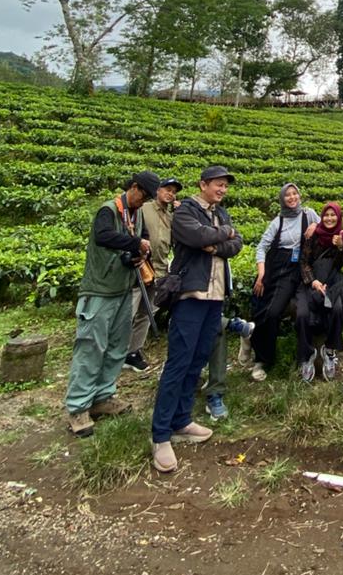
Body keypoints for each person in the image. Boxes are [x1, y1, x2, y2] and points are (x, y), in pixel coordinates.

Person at [151, 165, 244, 474]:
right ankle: (160, 435)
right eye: (218, 185)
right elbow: (194, 235)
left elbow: (236, 244)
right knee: (178, 362)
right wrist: (221, 236)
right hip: (191, 296)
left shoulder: (221, 213)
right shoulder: (186, 211)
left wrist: (217, 241)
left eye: (225, 186)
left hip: (215, 297)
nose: (222, 190)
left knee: (197, 360)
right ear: (203, 184)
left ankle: (181, 421)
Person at [64, 171, 160, 437]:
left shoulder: (137, 214)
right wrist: (135, 243)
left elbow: (136, 243)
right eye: (145, 195)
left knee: (117, 346)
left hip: (123, 289)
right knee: (91, 347)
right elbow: (103, 236)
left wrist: (136, 255)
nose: (145, 202)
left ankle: (103, 397)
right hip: (99, 291)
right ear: (134, 187)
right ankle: (78, 407)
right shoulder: (108, 210)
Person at [248, 184, 319, 381]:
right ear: (282, 199)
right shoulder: (278, 220)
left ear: (299, 195)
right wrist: (261, 274)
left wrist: (316, 226)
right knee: (258, 305)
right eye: (287, 195)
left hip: (291, 270)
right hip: (272, 268)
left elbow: (328, 230)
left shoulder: (309, 214)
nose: (291, 197)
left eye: (294, 193)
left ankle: (263, 358)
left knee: (272, 311)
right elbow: (262, 247)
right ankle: (251, 341)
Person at [125, 176, 181, 373]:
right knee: (128, 311)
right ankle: (114, 350)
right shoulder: (144, 208)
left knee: (148, 312)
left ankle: (133, 351)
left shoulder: (172, 215)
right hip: (140, 268)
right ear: (157, 190)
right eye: (167, 189)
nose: (170, 193)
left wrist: (181, 212)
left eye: (174, 191)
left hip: (160, 270)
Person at [296, 202, 343, 383]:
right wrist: (313, 281)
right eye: (326, 215)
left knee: (337, 310)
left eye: (333, 215)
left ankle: (329, 350)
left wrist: (341, 247)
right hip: (311, 282)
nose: (329, 218)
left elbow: (340, 264)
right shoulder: (313, 235)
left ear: (338, 217)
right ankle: (307, 354)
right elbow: (304, 262)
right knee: (302, 314)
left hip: (332, 282)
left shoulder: (342, 237)